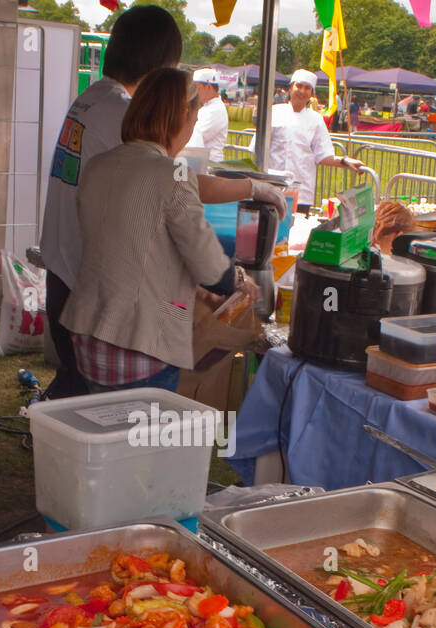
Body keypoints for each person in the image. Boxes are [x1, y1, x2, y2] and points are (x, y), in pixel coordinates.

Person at [60, 69, 240, 393]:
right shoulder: (173, 175)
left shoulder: (97, 166)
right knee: (144, 442)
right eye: (193, 119)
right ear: (180, 118)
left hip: (87, 333)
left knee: (103, 433)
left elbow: (130, 247)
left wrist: (193, 287)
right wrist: (239, 279)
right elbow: (212, 269)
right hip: (136, 341)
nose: (192, 128)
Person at [255, 69, 365, 213]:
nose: (302, 91)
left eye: (307, 88)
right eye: (299, 86)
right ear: (290, 88)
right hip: (270, 187)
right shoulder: (273, 112)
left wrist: (345, 161)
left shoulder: (316, 120)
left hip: (301, 191)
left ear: (311, 94)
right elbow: (258, 150)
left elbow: (324, 155)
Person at [186, 67, 228, 163]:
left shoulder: (216, 111)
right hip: (201, 161)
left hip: (210, 163)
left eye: (197, 88)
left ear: (208, 87)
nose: (194, 93)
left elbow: (193, 135)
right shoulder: (208, 108)